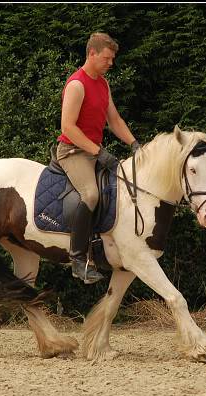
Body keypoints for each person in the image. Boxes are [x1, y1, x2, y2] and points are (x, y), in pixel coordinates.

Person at [56, 32, 141, 284]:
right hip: (73, 152)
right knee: (91, 195)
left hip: (93, 151)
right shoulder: (77, 84)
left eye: (112, 59)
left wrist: (135, 144)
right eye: (107, 58)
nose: (111, 63)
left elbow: (114, 120)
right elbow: (68, 127)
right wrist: (99, 152)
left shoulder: (103, 84)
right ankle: (78, 260)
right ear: (91, 54)